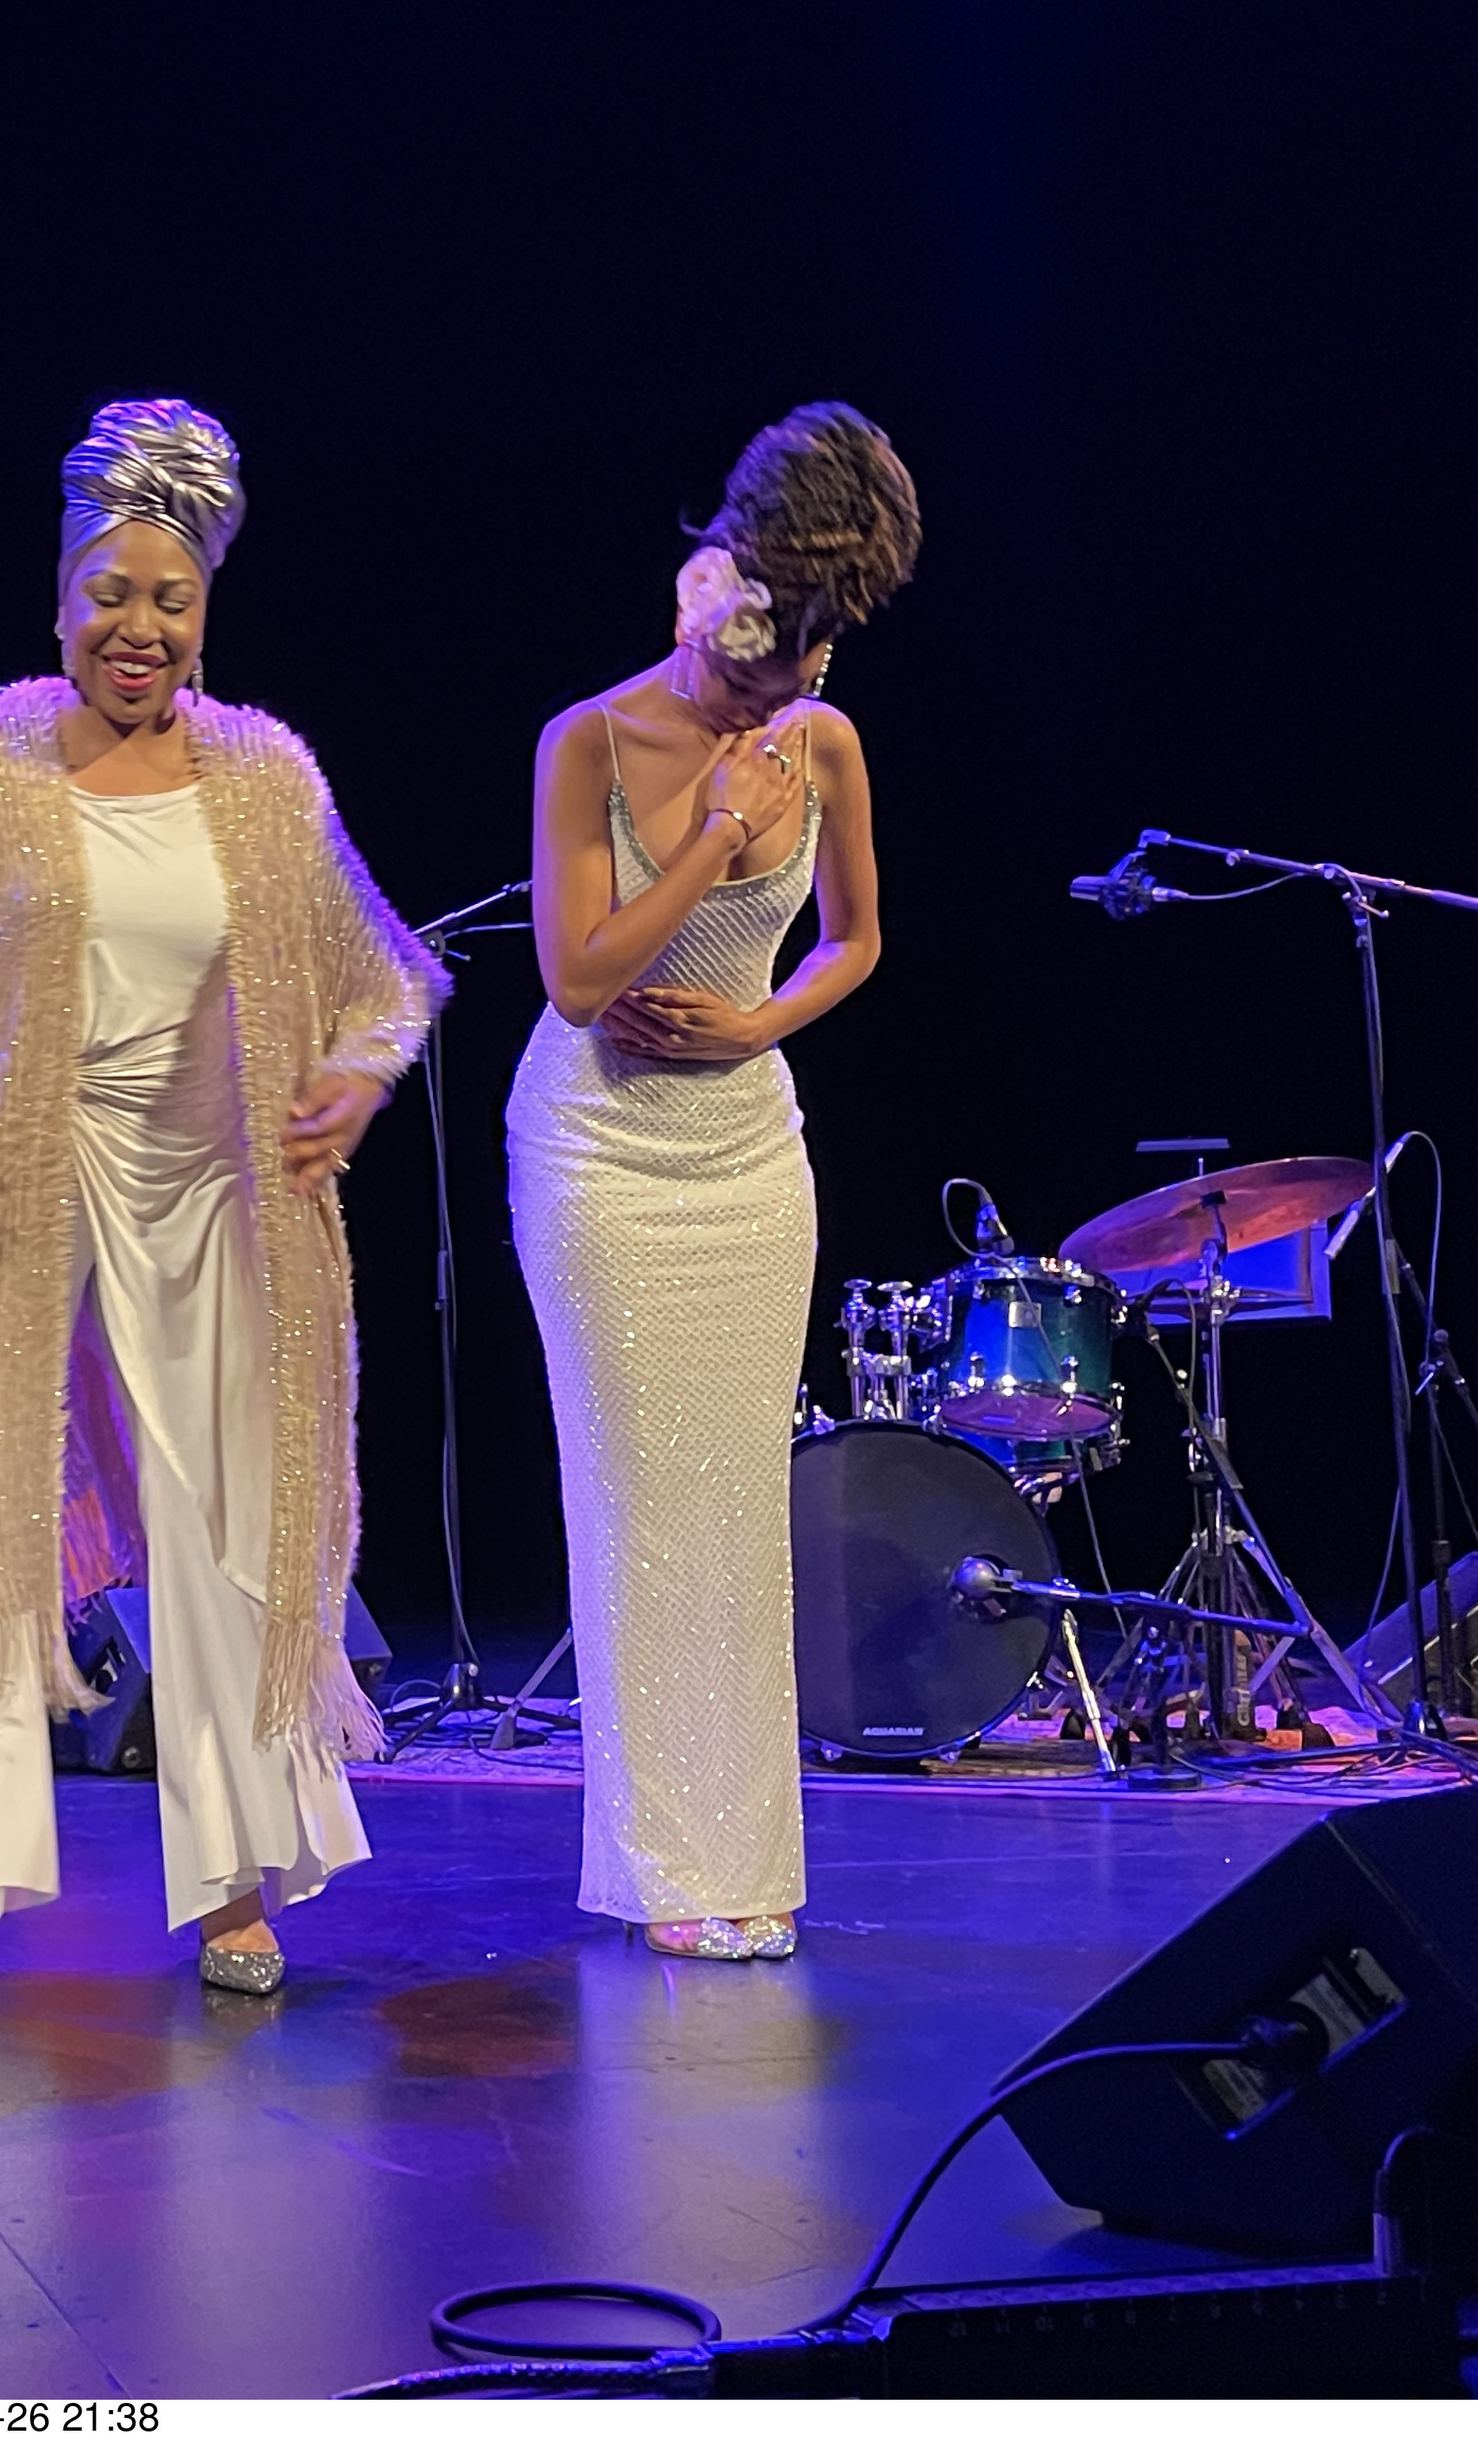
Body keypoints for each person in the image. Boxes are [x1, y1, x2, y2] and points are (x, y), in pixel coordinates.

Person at [0, 399, 443, 1999]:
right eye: (111, 591)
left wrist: (352, 1083)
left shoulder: (264, 775)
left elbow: (383, 977)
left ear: (207, 607)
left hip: (210, 1195)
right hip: (6, 1185)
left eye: (172, 599)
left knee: (224, 1536)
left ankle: (233, 1884)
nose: (140, 625)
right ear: (61, 593)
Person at [504, 402, 919, 1961]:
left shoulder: (826, 741)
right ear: (713, 604)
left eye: (808, 671)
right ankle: (665, 1867)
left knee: (738, 1506)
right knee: (640, 1507)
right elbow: (577, 976)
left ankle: (748, 1857)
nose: (786, 698)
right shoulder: (593, 742)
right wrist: (716, 833)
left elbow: (856, 940)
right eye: (765, 671)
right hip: (600, 1153)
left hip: (749, 1153)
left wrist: (761, 1022)